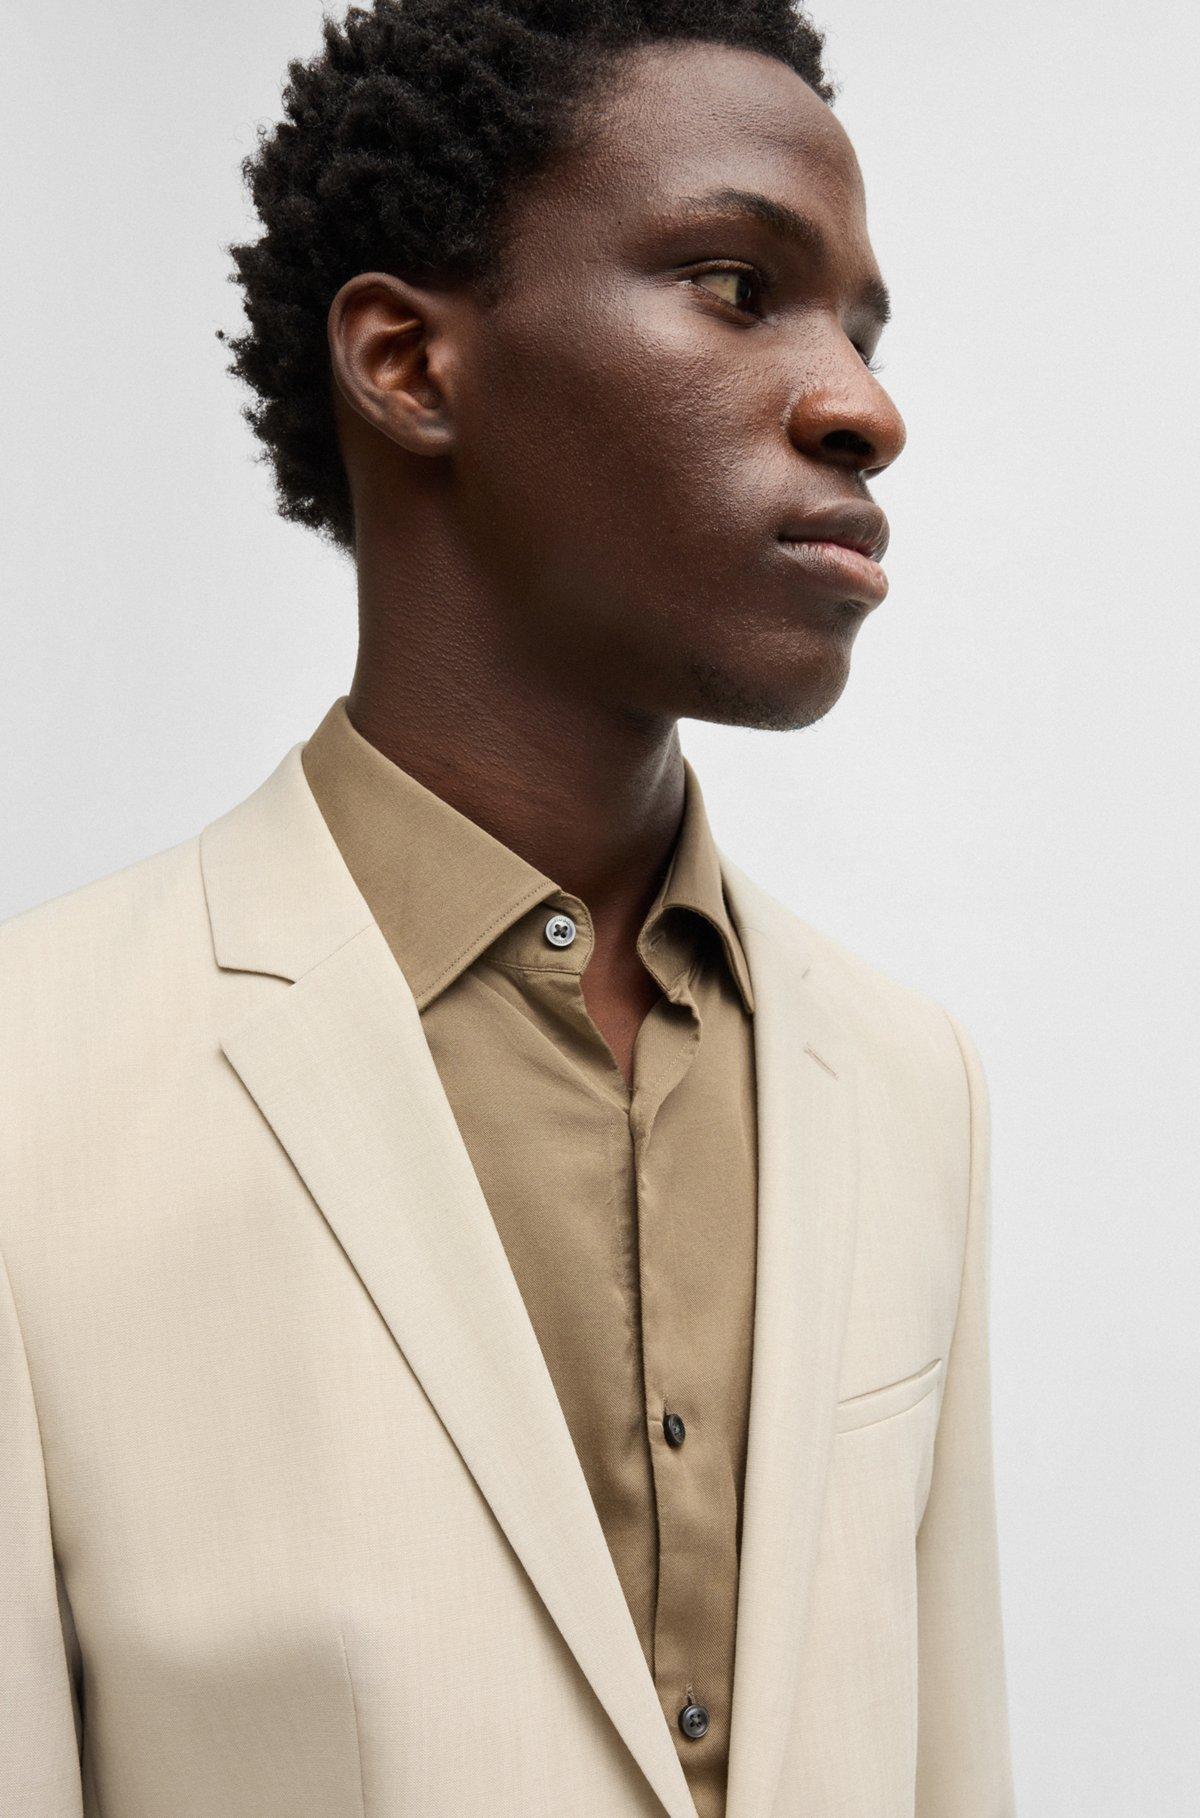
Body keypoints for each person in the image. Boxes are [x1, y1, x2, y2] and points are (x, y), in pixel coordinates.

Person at [0, 3, 1015, 1814]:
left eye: (860, 331)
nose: (864, 406)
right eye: (736, 287)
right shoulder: (33, 1083)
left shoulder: (906, 1080)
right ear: (410, 363)